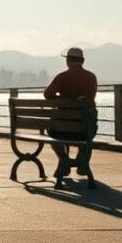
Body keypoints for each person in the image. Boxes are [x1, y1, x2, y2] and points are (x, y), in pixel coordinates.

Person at [43, 47, 98, 178]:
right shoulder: (91, 77)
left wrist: (62, 100)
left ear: (67, 61)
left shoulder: (62, 77)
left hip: (61, 130)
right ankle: (82, 162)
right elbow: (91, 100)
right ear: (82, 61)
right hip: (84, 130)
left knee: (52, 132)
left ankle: (64, 161)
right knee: (88, 129)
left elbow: (47, 94)